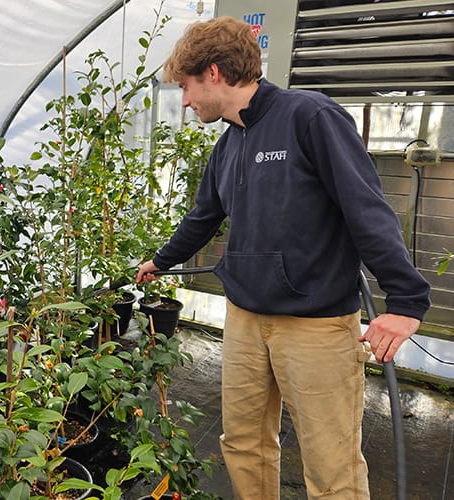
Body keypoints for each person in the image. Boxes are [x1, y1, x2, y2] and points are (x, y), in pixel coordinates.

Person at [135, 16, 431, 500]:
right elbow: (203, 216)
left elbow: (366, 209)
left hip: (315, 326)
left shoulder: (309, 117)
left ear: (213, 73)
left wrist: (406, 301)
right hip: (246, 318)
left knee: (330, 466)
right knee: (244, 444)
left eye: (186, 88)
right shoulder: (229, 143)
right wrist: (162, 261)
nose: (185, 102)